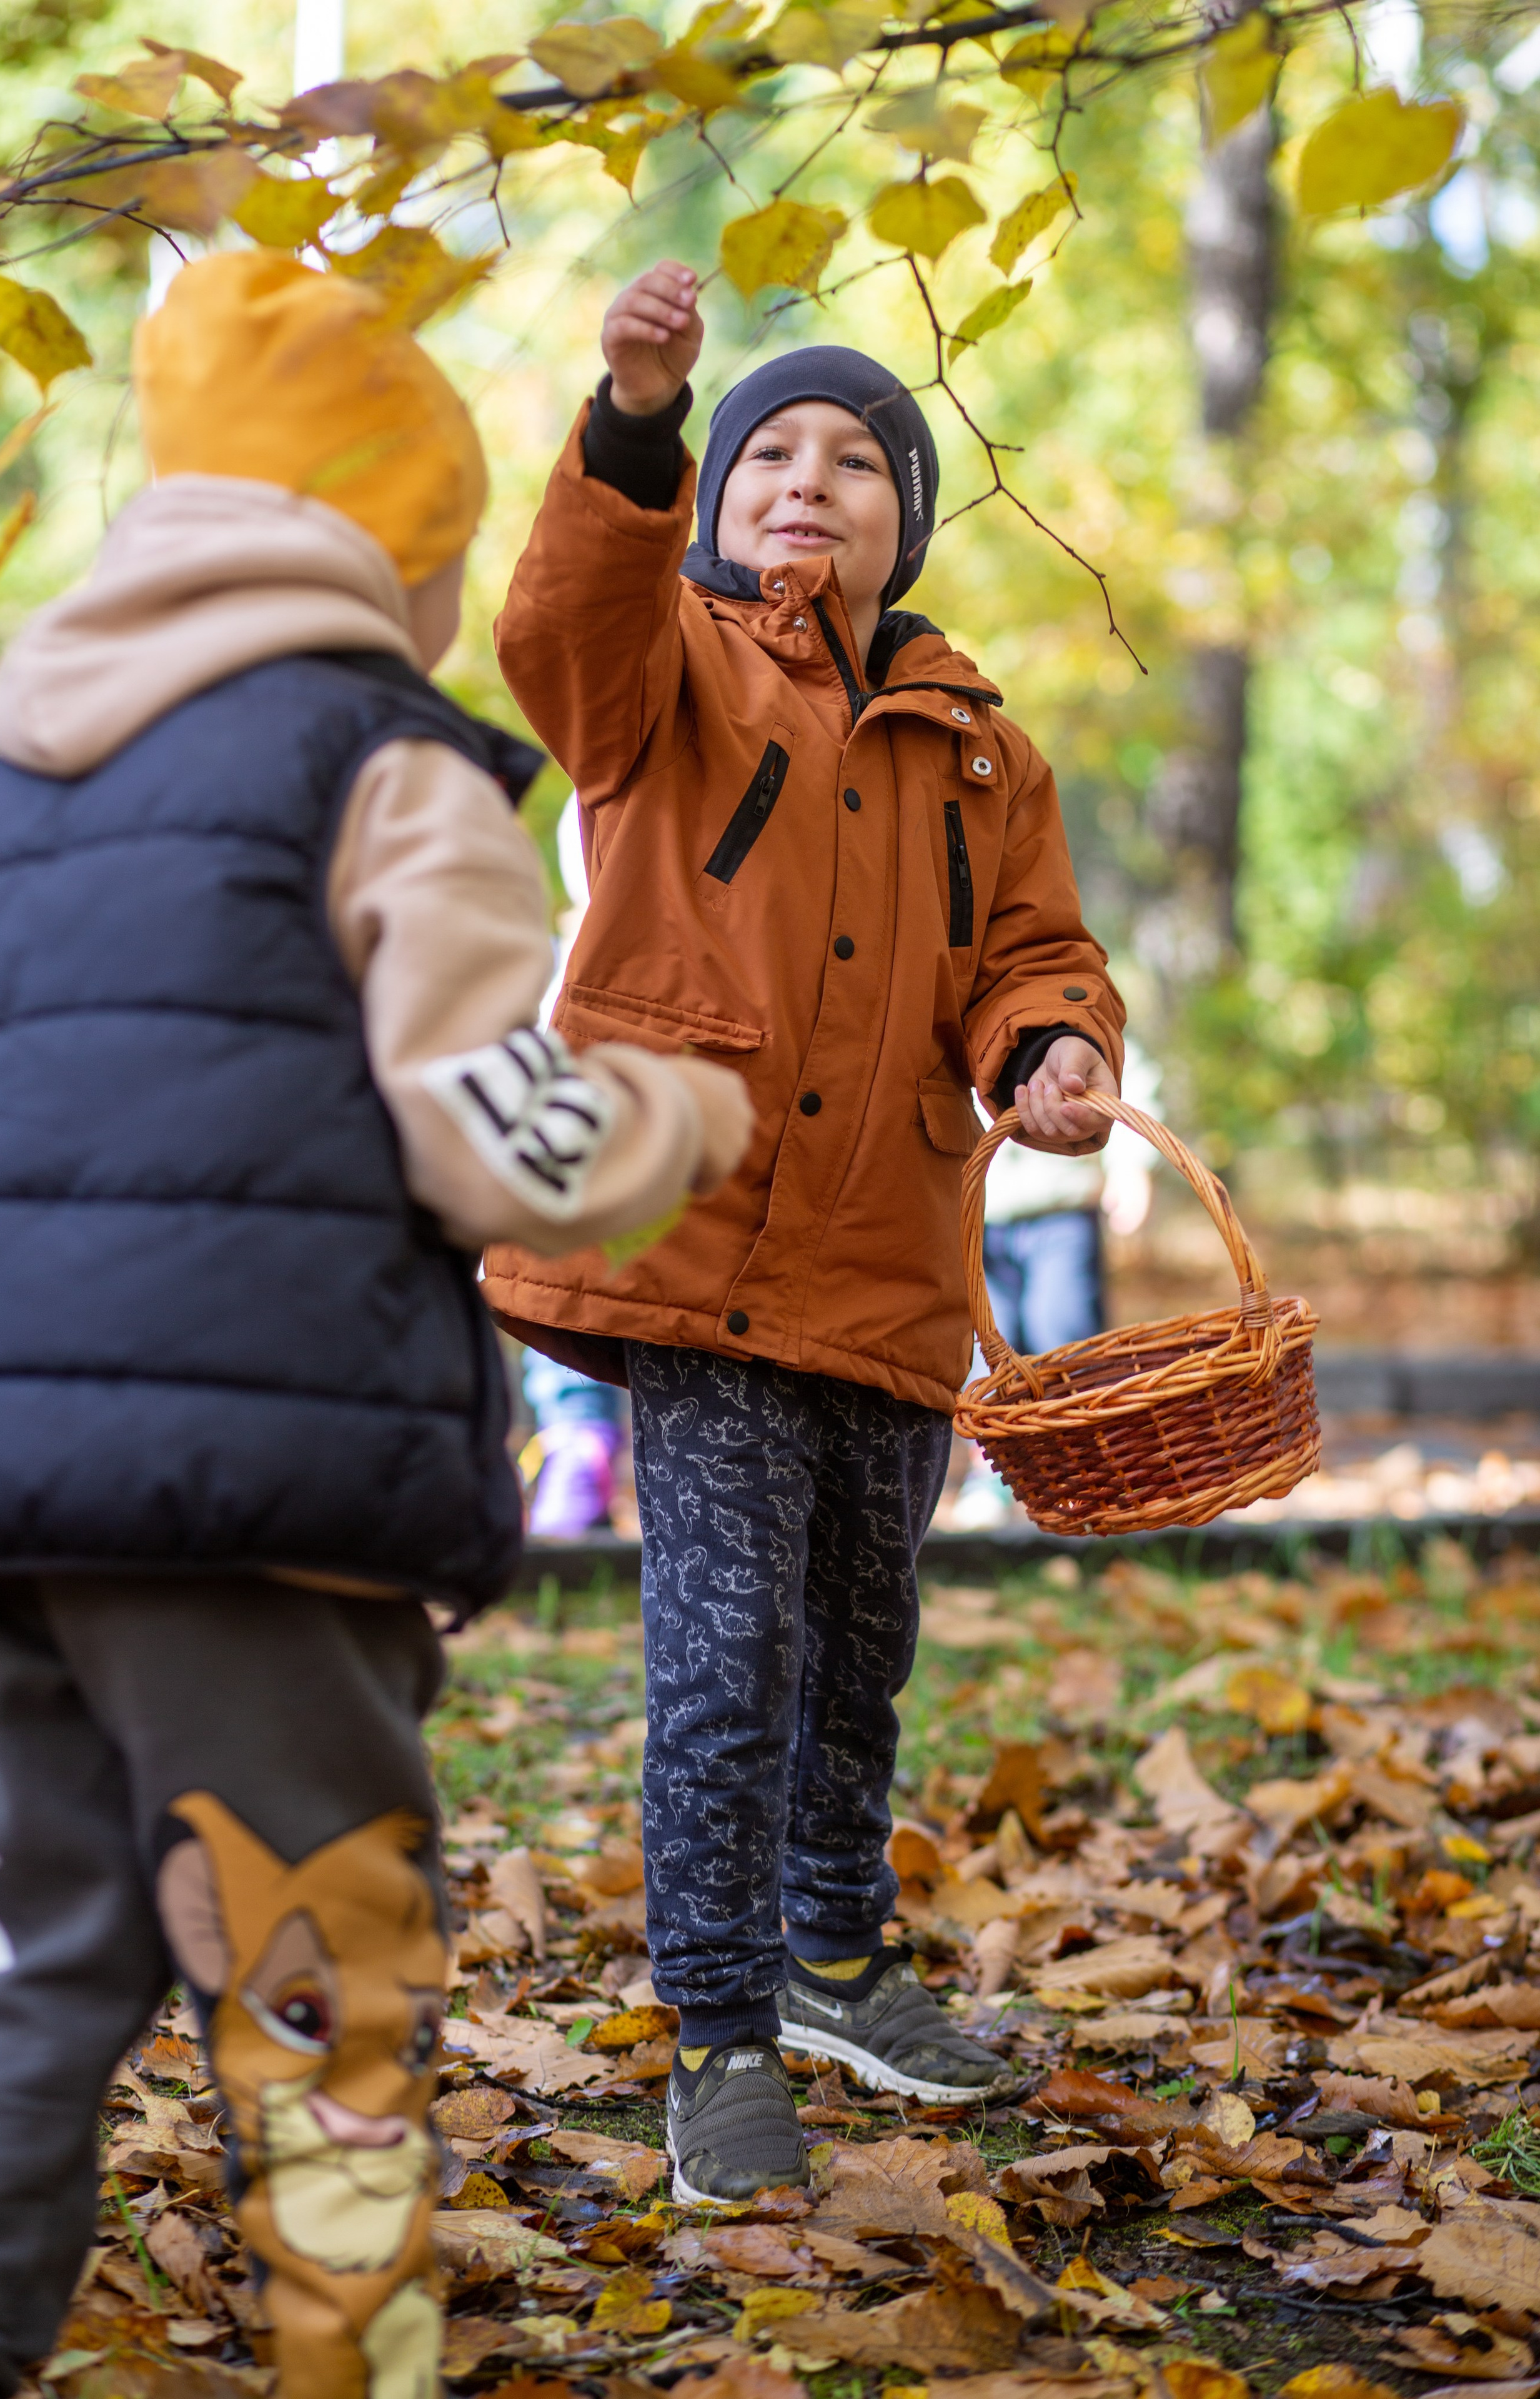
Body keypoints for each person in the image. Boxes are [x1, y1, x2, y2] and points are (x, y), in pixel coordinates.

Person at [0, 250, 750, 2399]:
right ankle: (353, 2367)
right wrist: (690, 1103)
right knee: (324, 1985)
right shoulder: (385, 766)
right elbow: (506, 1142)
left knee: (15, 1971)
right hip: (257, 1507)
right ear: (399, 541)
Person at [484, 261, 1128, 2203]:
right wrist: (630, 420)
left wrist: (1052, 1047)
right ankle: (724, 2028)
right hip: (694, 1241)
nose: (808, 482)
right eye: (770, 451)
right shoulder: (661, 666)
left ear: (903, 520)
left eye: (857, 460)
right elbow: (556, 632)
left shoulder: (978, 746)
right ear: (714, 496)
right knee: (723, 1649)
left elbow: (1030, 950)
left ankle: (840, 1956)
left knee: (861, 1647)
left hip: (889, 1268)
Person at [953, 1045, 1162, 1528]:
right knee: (986, 1351)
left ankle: (1084, 1471)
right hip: (975, 1208)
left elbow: (1125, 1066)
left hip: (1061, 1203)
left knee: (1067, 1336)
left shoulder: (1056, 995)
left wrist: (1130, 1166)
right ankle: (994, 1474)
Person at [524, 795, 632, 1537]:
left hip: (577, 1159)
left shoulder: (562, 957)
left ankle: (579, 1443)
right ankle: (583, 1445)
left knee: (560, 1299)